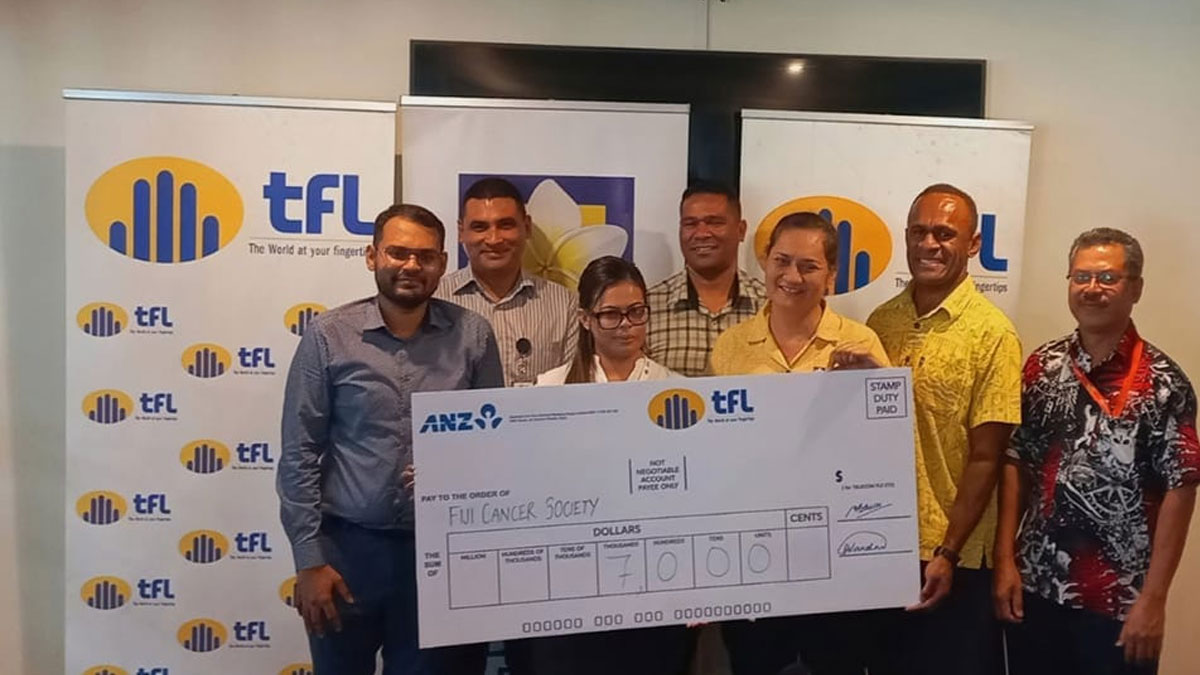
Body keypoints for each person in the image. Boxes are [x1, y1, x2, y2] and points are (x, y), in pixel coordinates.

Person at [278, 203, 504, 674]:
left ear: (442, 263)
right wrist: (309, 560)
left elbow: (493, 448)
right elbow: (299, 452)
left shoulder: (474, 337)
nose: (411, 266)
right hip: (346, 555)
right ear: (372, 256)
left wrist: (455, 475)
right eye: (398, 253)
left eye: (425, 256)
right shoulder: (328, 336)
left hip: (442, 555)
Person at [995, 228, 1198, 675]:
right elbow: (1016, 462)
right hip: (1037, 588)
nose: (1092, 288)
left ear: (1136, 288)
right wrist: (1005, 561)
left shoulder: (1164, 383)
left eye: (1108, 278)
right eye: (1081, 277)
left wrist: (1154, 600)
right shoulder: (1042, 367)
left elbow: (1181, 488)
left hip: (1120, 603)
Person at [709, 211, 889, 675]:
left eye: (808, 266)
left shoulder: (861, 343)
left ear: (831, 276)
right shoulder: (730, 347)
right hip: (754, 557)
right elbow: (717, 454)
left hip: (836, 555)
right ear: (765, 262)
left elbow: (885, 452)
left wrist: (876, 385)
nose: (792, 276)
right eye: (782, 261)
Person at [865, 183, 1022, 675]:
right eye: (919, 232)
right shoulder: (880, 322)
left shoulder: (993, 334)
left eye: (944, 234)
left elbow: (987, 456)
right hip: (884, 544)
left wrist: (947, 553)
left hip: (954, 557)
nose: (929, 244)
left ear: (973, 244)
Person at [529, 255, 690, 675]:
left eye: (636, 312)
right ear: (585, 319)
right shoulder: (548, 390)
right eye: (611, 315)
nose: (626, 325)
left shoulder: (678, 391)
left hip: (656, 585)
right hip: (572, 585)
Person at [436, 177, 577, 386]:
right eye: (480, 227)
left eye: (505, 225)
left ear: (527, 227)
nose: (494, 239)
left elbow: (573, 388)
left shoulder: (564, 304)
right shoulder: (435, 299)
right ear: (461, 232)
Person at [646, 181, 767, 377]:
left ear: (741, 230)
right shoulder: (647, 309)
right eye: (690, 224)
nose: (701, 234)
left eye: (715, 222)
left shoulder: (770, 307)